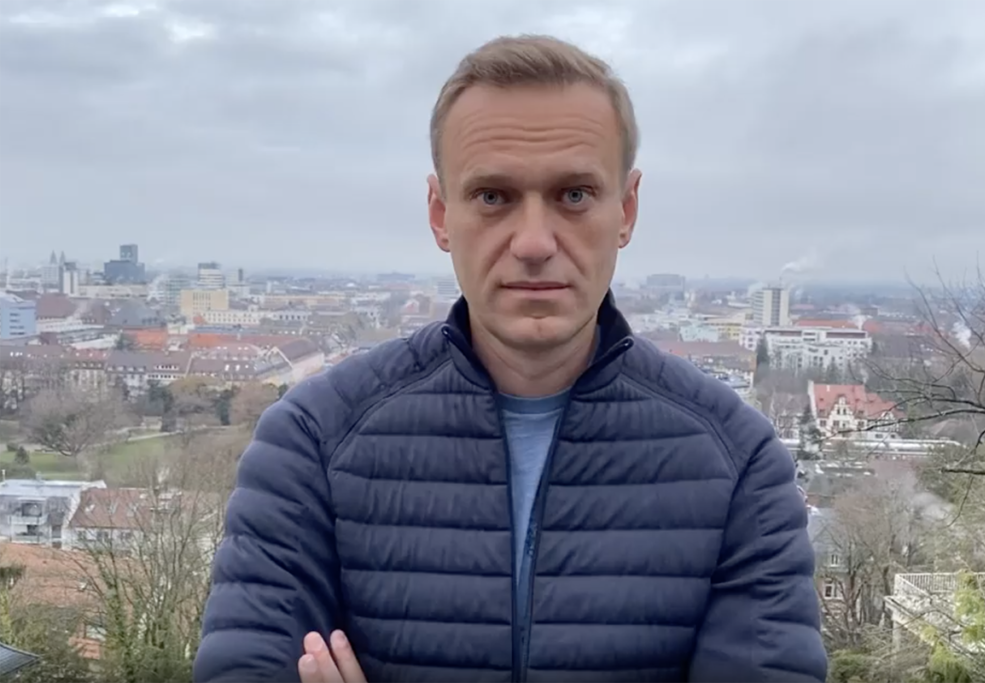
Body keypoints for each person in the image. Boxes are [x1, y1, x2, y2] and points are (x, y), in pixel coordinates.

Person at [193, 34, 828, 683]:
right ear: (440, 214)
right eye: (493, 197)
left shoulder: (737, 462)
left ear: (626, 210)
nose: (533, 242)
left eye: (574, 195)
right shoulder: (314, 441)